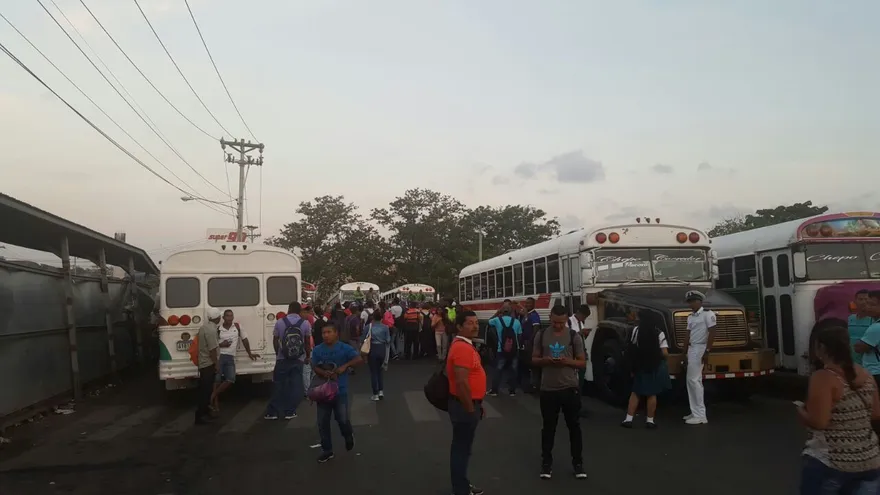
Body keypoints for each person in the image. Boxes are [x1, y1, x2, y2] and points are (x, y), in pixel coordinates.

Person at [799, 325, 880, 493]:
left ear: (820, 347)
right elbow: (876, 414)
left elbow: (819, 422)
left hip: (832, 463)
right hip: (870, 460)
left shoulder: (823, 377)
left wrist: (801, 412)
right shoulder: (866, 374)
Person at [532, 304, 587, 480]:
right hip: (548, 389)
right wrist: (546, 360)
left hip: (569, 388)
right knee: (548, 428)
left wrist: (567, 361)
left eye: (562, 323)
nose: (558, 326)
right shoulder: (541, 335)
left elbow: (582, 362)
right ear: (550, 318)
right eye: (555, 322)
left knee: (574, 427)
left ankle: (578, 463)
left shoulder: (574, 336)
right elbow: (534, 359)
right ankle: (546, 463)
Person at [310, 323, 363, 463]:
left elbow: (358, 359)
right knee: (322, 422)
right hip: (323, 392)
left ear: (336, 333)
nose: (326, 335)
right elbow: (314, 366)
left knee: (342, 419)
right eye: (323, 333)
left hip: (340, 391)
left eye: (329, 332)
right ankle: (327, 450)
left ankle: (348, 435)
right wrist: (323, 373)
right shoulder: (317, 350)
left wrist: (344, 366)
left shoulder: (344, 348)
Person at [447, 310, 486, 495]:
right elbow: (462, 382)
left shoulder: (465, 345)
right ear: (459, 327)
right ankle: (461, 489)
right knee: (461, 450)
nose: (475, 326)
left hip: (468, 404)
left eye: (476, 322)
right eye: (469, 323)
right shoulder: (462, 348)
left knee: (462, 448)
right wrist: (471, 409)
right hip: (464, 406)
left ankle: (461, 485)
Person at [621, 310, 671, 429]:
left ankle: (628, 419)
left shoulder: (636, 330)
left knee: (635, 392)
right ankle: (650, 420)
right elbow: (665, 353)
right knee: (652, 394)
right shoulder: (659, 333)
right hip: (653, 366)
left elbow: (632, 347)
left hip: (639, 366)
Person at [265, 302, 311, 420]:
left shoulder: (280, 322)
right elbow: (307, 342)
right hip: (298, 359)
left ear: (289, 309)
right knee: (295, 385)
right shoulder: (305, 323)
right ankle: (290, 411)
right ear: (299, 311)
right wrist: (307, 356)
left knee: (278, 385)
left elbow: (275, 340)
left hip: (282, 358)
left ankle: (272, 412)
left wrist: (278, 353)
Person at [211, 309, 259, 412]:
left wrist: (249, 353)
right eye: (227, 316)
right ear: (223, 318)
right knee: (217, 381)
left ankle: (212, 396)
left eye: (231, 316)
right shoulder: (218, 329)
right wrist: (221, 344)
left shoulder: (237, 327)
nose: (230, 318)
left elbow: (245, 339)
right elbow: (212, 344)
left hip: (230, 357)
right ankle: (215, 405)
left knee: (231, 379)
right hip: (220, 357)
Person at [682, 290, 715, 425]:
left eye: (693, 301)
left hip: (701, 348)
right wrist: (684, 353)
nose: (691, 304)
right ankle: (695, 411)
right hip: (692, 348)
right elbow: (687, 334)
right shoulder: (691, 316)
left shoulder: (708, 314)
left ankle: (701, 415)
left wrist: (707, 350)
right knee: (692, 381)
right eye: (689, 302)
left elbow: (712, 332)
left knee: (694, 381)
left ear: (699, 301)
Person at [487, 304, 523, 397]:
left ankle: (494, 390)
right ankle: (512, 391)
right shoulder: (517, 322)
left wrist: (497, 313)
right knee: (513, 369)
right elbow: (519, 335)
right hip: (515, 350)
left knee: (498, 369)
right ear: (511, 312)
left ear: (502, 311)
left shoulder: (497, 320)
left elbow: (489, 322)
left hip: (501, 349)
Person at [195, 308, 222, 425]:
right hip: (208, 364)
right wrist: (216, 365)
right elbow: (212, 350)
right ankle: (200, 416)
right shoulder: (211, 330)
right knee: (205, 392)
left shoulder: (204, 327)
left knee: (206, 390)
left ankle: (205, 412)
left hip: (203, 362)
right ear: (218, 318)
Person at [361, 310, 391, 401]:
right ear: (382, 318)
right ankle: (381, 391)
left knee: (373, 372)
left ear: (373, 317)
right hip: (382, 349)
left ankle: (375, 394)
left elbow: (363, 338)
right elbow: (388, 340)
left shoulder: (368, 327)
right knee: (380, 371)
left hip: (372, 349)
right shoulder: (385, 327)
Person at [851, 289, 875, 365]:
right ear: (855, 301)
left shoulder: (874, 320)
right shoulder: (849, 319)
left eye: (866, 299)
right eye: (860, 299)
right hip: (852, 363)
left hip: (869, 364)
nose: (864, 302)